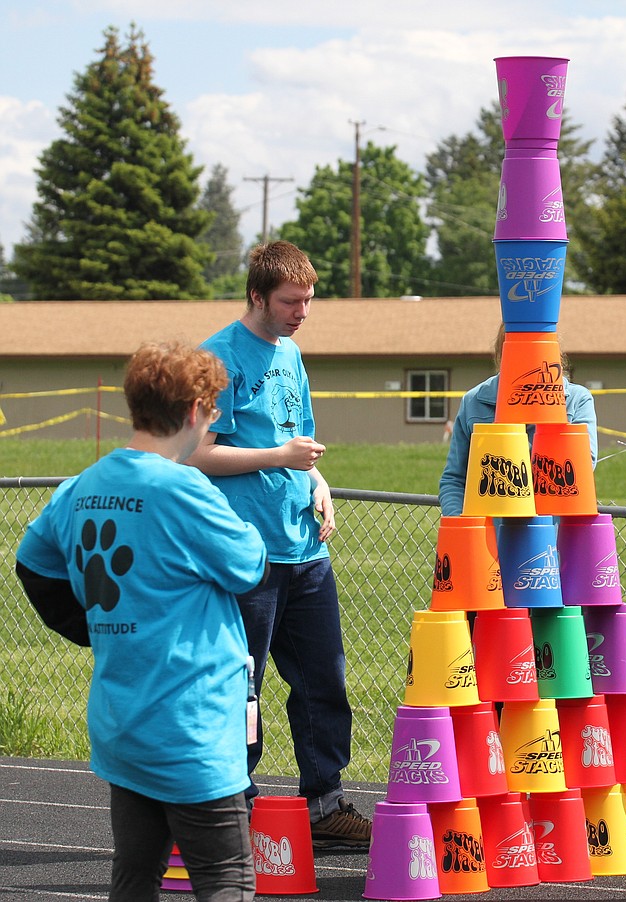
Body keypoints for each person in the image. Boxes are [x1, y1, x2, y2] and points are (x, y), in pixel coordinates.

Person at [15, 341, 268, 901]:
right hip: (190, 724)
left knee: (135, 875)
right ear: (196, 410)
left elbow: (32, 561)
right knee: (226, 876)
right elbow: (249, 565)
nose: (218, 419)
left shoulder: (85, 484)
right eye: (216, 408)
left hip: (123, 722)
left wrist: (86, 624)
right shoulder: (183, 489)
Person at [186, 240, 370, 850]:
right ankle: (232, 805)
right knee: (244, 686)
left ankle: (325, 803)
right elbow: (198, 454)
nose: (302, 313)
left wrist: (318, 483)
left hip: (305, 550)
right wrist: (281, 458)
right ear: (257, 296)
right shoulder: (218, 356)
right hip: (246, 553)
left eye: (309, 301)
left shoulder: (291, 354)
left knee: (324, 680)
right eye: (292, 302)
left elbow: (300, 439)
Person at [438, 322, 598, 516]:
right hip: (491, 536)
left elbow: (582, 466)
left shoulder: (575, 399)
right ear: (503, 351)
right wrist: (462, 526)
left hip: (554, 535)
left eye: (535, 349)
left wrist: (545, 411)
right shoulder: (474, 401)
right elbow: (454, 479)